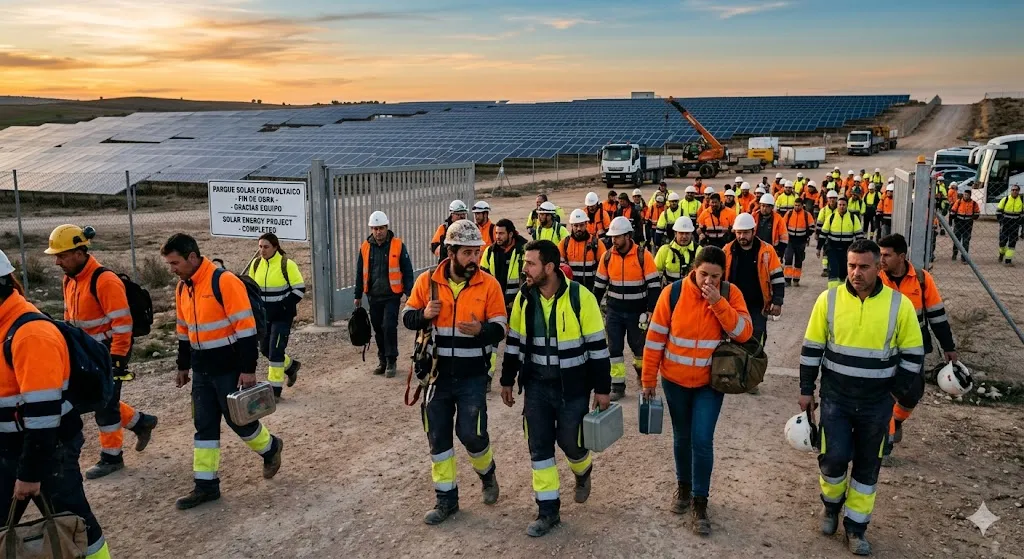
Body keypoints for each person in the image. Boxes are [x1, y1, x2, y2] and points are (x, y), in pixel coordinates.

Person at [799, 239, 924, 555]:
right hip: (836, 399)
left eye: (864, 266)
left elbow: (913, 356)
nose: (856, 272)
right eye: (852, 266)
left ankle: (856, 529)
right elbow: (812, 349)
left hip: (877, 404)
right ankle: (830, 507)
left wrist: (894, 393)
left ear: (878, 267)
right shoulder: (828, 300)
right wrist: (805, 390)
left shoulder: (900, 306)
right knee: (834, 458)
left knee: (868, 468)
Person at [0, 249, 112, 559]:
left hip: (47, 449)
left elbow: (43, 416)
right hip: (12, 445)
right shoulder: (4, 325)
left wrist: (30, 473)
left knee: (74, 521)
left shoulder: (29, 334)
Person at [163, 234, 284, 510]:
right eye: (170, 264)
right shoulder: (183, 287)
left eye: (175, 263)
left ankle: (271, 448)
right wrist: (183, 366)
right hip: (201, 369)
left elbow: (245, 328)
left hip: (228, 368)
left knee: (239, 421)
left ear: (192, 257)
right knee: (204, 425)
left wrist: (248, 369)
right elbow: (183, 330)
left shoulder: (223, 281)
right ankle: (205, 486)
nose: (172, 269)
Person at [500, 240, 611, 537]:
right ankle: (547, 511)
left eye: (531, 264)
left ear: (549, 267)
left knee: (570, 443)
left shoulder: (581, 298)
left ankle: (583, 469)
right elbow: (514, 344)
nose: (525, 269)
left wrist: (602, 388)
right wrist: (507, 380)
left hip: (572, 387)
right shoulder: (524, 299)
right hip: (536, 385)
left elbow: (598, 348)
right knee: (539, 447)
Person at [401, 220, 508, 525]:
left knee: (471, 434)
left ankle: (487, 475)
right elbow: (407, 317)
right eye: (468, 252)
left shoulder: (490, 285)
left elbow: (501, 328)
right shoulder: (428, 282)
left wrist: (482, 330)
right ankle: (446, 500)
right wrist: (423, 315)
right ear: (451, 252)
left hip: (473, 376)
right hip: (436, 377)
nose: (475, 258)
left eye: (477, 252)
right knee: (438, 438)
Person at [642, 245, 752, 537]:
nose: (709, 281)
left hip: (710, 384)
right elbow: (655, 338)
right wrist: (648, 379)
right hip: (674, 381)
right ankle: (684, 488)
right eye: (704, 274)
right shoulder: (673, 293)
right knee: (682, 436)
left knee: (702, 439)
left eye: (715, 276)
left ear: (723, 274)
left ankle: (700, 502)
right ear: (694, 269)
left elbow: (744, 332)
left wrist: (718, 303)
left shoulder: (730, 294)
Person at [45, 224, 158, 479]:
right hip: (86, 351)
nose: (57, 262)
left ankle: (112, 457)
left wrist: (117, 358)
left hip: (108, 352)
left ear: (79, 252)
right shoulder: (70, 280)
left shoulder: (104, 280)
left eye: (61, 256)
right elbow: (70, 318)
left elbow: (122, 323)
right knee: (98, 397)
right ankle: (141, 422)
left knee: (104, 406)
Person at [877, 234, 957, 464]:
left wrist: (948, 347)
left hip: (915, 346)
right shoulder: (877, 279)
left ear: (901, 257)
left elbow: (937, 316)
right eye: (880, 255)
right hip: (884, 348)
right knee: (886, 394)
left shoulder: (922, 280)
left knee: (913, 392)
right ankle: (885, 445)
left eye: (886, 255)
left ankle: (897, 421)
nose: (881, 260)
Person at [593, 216, 659, 401]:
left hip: (637, 313)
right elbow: (598, 287)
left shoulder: (642, 255)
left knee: (639, 349)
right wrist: (592, 307)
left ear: (628, 236)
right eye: (612, 237)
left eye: (618, 237)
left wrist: (650, 310)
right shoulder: (607, 257)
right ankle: (618, 385)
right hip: (614, 312)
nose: (614, 240)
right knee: (614, 349)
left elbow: (654, 285)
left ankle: (643, 378)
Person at [355, 212, 415, 378]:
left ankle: (391, 360)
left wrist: (410, 293)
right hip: (373, 296)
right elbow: (360, 272)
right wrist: (357, 294)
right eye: (375, 228)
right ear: (371, 229)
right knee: (378, 329)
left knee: (389, 326)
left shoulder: (398, 245)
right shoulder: (365, 247)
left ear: (387, 228)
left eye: (381, 228)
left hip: (391, 296)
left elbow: (407, 271)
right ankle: (382, 360)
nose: (378, 232)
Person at [249, 233, 306, 396]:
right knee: (265, 349)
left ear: (275, 247)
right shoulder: (255, 264)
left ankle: (274, 390)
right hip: (263, 317)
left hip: (282, 316)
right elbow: (251, 290)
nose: (262, 250)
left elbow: (299, 290)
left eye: (266, 247)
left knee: (275, 349)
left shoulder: (287, 264)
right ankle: (291, 366)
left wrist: (282, 306)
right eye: (260, 246)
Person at [724, 213, 784, 349]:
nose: (741, 236)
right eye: (738, 233)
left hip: (758, 305)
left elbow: (778, 278)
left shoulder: (767, 251)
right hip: (733, 305)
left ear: (753, 231)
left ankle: (755, 365)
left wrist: (777, 301)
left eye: (745, 233)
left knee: (756, 337)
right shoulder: (727, 250)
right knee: (734, 339)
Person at [482, 219, 529, 389]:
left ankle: (523, 378)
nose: (498, 237)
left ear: (511, 233)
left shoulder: (524, 250)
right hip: (494, 306)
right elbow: (482, 278)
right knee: (491, 344)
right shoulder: (489, 252)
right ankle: (487, 377)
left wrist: (517, 302)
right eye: (496, 233)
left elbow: (528, 280)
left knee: (519, 342)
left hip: (516, 306)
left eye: (501, 233)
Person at [818, 197, 864, 288]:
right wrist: (819, 248)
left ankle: (841, 291)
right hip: (832, 249)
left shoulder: (853, 218)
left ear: (847, 206)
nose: (841, 207)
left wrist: (861, 251)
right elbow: (823, 234)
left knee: (843, 272)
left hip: (846, 250)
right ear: (837, 206)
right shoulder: (831, 218)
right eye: (840, 205)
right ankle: (832, 292)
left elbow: (859, 236)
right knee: (834, 271)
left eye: (843, 205)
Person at [560, 209, 607, 292]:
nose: (578, 228)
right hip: (570, 289)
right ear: (571, 225)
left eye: (581, 225)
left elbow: (604, 266)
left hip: (590, 288)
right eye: (576, 225)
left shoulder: (596, 243)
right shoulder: (564, 243)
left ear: (586, 224)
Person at [655, 216, 697, 286]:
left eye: (687, 233)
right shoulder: (665, 250)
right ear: (675, 233)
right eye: (681, 233)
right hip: (670, 292)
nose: (684, 236)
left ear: (691, 234)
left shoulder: (699, 251)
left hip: (691, 293)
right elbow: (656, 272)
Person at [783, 201, 815, 286]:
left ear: (802, 205)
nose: (797, 207)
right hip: (790, 240)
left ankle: (796, 280)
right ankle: (787, 280)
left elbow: (812, 226)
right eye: (795, 205)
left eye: (798, 205)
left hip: (801, 241)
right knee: (788, 259)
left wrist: (806, 235)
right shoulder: (789, 213)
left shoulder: (806, 215)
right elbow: (783, 225)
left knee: (798, 260)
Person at [949, 188, 980, 263]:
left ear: (970, 196)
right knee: (956, 240)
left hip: (968, 224)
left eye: (967, 195)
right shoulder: (959, 202)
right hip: (958, 223)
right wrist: (952, 218)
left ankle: (964, 257)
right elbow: (953, 211)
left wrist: (972, 218)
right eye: (965, 194)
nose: (965, 196)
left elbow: (977, 213)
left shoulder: (974, 203)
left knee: (966, 241)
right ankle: (955, 253)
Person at [997, 184, 1023, 265]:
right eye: (1013, 190)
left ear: (1019, 191)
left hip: (1015, 224)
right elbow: (998, 211)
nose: (1014, 191)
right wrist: (1001, 221)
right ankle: (1001, 253)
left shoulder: (1022, 200)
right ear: (1011, 191)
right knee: (1002, 242)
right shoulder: (1005, 199)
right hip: (1005, 223)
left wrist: (1021, 223)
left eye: (1016, 190)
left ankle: (1008, 260)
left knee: (1012, 242)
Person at [817, 190, 840, 277]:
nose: (832, 200)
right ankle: (825, 269)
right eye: (831, 198)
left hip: (836, 235)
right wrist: (818, 235)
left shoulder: (839, 209)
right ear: (827, 199)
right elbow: (819, 224)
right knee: (826, 251)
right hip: (826, 234)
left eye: (834, 198)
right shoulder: (823, 211)